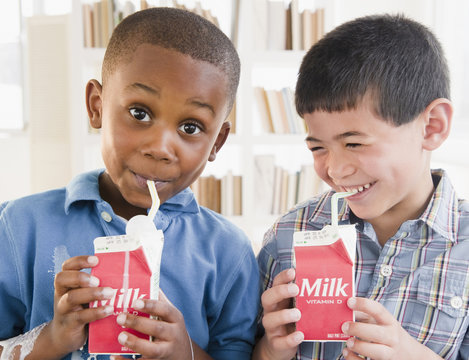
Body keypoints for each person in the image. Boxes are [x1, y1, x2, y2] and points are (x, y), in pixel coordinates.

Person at [0, 7, 259, 360]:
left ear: (217, 142)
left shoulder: (228, 252)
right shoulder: (17, 227)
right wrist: (53, 337)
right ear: (97, 106)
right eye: (140, 113)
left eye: (191, 127)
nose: (160, 148)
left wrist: (187, 353)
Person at [253, 14, 469, 360]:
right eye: (317, 148)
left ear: (431, 127)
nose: (335, 170)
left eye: (354, 144)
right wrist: (269, 349)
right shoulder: (288, 237)